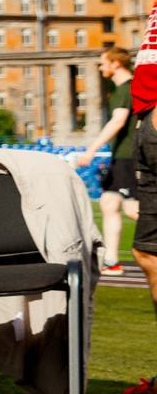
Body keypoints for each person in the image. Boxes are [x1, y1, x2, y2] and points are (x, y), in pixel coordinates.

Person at [74, 46, 134, 273]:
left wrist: (91, 150)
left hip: (129, 158)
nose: (100, 68)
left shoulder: (125, 89)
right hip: (120, 157)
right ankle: (111, 261)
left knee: (132, 210)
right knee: (109, 203)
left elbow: (118, 121)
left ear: (115, 63)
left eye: (103, 63)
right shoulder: (121, 89)